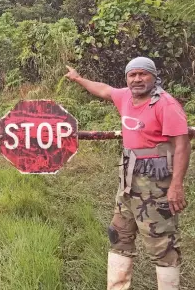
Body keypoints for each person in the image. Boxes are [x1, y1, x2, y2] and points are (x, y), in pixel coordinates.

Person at [65, 57, 190, 290]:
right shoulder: (125, 97)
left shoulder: (166, 105)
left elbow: (182, 145)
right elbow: (104, 90)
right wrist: (78, 78)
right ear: (126, 78)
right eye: (132, 75)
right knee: (119, 235)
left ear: (154, 76)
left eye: (143, 74)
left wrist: (176, 186)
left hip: (156, 181)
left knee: (162, 243)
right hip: (128, 179)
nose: (137, 79)